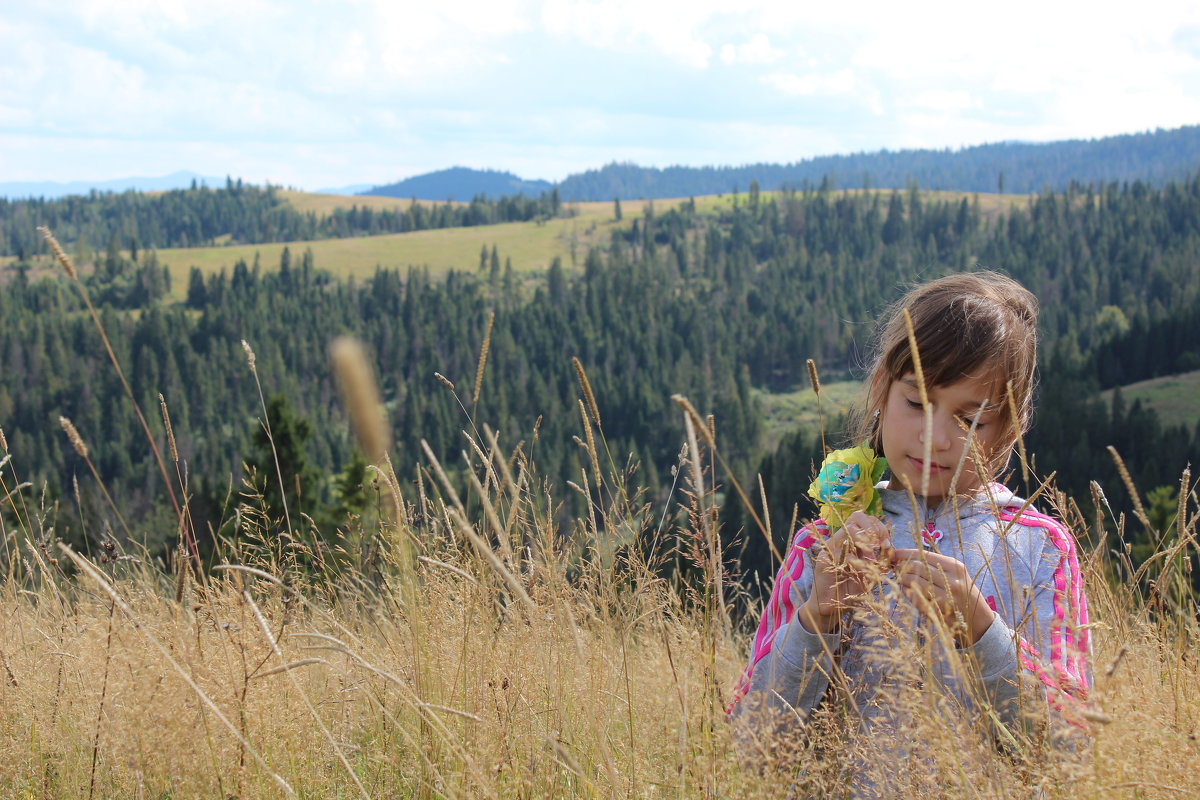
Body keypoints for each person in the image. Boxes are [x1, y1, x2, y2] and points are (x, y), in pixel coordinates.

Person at [728, 272, 1092, 790]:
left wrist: (982, 633)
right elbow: (748, 744)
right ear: (881, 388)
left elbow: (1071, 748)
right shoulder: (824, 545)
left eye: (971, 420)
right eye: (917, 403)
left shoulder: (1039, 550)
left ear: (1011, 427)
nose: (936, 437)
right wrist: (818, 620)